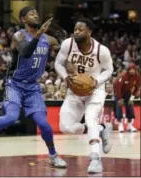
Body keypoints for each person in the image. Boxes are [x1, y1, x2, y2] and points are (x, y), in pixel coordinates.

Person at [0, 6, 66, 168]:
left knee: (44, 125)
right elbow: (25, 52)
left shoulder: (48, 39)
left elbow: (63, 49)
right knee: (11, 117)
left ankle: (53, 154)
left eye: (37, 14)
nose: (35, 15)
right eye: (31, 14)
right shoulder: (19, 36)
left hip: (32, 87)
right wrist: (38, 36)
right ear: (23, 19)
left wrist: (62, 37)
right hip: (14, 84)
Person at [55, 18, 113, 173]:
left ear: (89, 32)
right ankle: (101, 128)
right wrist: (65, 77)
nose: (76, 31)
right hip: (74, 89)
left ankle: (95, 159)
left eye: (81, 29)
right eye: (75, 29)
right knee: (65, 127)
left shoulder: (102, 50)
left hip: (95, 89)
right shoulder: (68, 44)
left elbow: (109, 70)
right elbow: (58, 63)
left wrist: (96, 80)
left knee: (90, 118)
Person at [114, 63, 140, 133]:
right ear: (128, 70)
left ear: (135, 70)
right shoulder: (123, 76)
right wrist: (119, 98)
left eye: (133, 69)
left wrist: (132, 98)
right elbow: (117, 87)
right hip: (119, 93)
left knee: (130, 108)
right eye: (130, 69)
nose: (132, 71)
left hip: (128, 93)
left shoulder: (137, 77)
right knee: (119, 108)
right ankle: (120, 125)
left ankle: (129, 126)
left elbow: (136, 88)